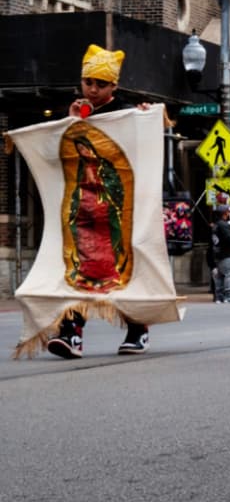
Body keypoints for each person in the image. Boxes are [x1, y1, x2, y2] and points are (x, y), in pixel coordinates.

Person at [45, 45, 152, 358]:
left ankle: (137, 328)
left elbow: (142, 149)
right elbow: (56, 153)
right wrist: (68, 122)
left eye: (100, 84)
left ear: (114, 86)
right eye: (88, 82)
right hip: (83, 207)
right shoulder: (74, 110)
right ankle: (71, 332)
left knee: (120, 269)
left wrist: (145, 118)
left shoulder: (127, 112)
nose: (92, 89)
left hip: (119, 207)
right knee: (77, 267)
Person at [211, 205, 230, 304]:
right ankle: (229, 296)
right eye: (228, 212)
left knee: (220, 275)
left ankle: (219, 296)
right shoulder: (223, 225)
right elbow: (229, 238)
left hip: (217, 253)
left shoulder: (216, 225)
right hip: (225, 253)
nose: (229, 214)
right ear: (225, 213)